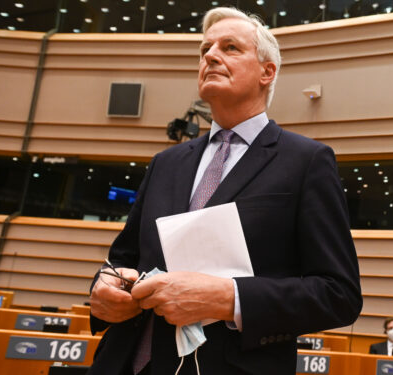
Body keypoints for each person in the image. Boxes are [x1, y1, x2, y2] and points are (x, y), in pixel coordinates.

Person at [87, 7, 362, 375]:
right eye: (205, 50)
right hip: (126, 363)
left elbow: (338, 294)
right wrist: (104, 290)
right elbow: (121, 259)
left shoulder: (306, 161)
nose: (211, 56)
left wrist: (230, 298)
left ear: (268, 72)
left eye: (230, 47)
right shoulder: (165, 163)